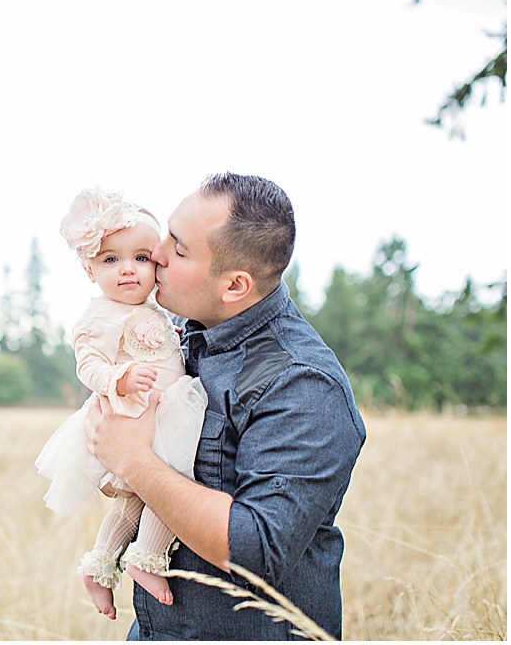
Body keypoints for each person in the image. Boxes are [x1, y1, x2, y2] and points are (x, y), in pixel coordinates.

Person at [87, 172, 366, 640]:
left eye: (178, 249)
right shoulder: (185, 328)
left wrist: (132, 460)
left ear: (235, 286)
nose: (156, 253)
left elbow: (255, 548)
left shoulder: (298, 382)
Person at [35, 187, 207, 621]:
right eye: (111, 260)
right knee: (171, 485)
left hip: (168, 409)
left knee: (137, 497)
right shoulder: (98, 317)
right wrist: (120, 377)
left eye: (141, 258)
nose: (127, 270)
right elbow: (88, 367)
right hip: (132, 413)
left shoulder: (162, 310)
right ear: (89, 269)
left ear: (158, 264)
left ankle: (101, 564)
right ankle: (146, 556)